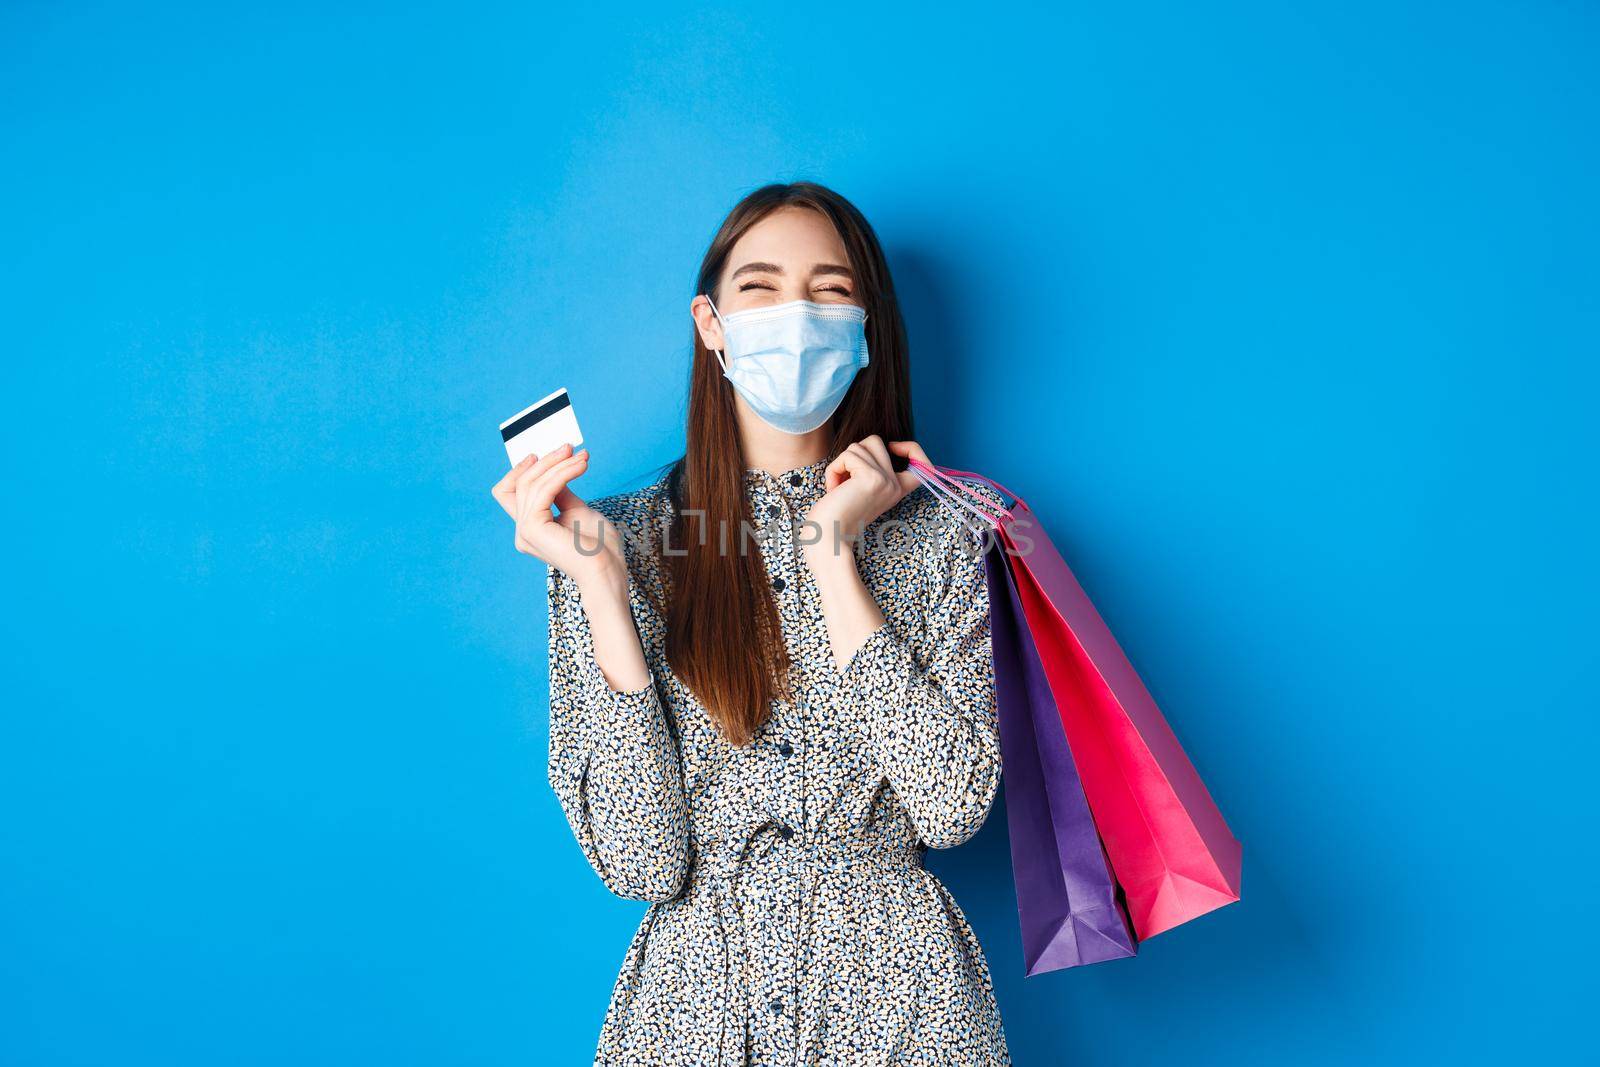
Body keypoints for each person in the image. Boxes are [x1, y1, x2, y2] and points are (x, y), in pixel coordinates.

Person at [491, 181, 1010, 1065]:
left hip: (902, 1007)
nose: (796, 314)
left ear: (867, 326)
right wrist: (602, 586)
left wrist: (834, 554)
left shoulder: (953, 527)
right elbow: (640, 861)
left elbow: (952, 805)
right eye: (761, 287)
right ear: (712, 324)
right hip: (695, 1008)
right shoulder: (622, 540)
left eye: (832, 289)